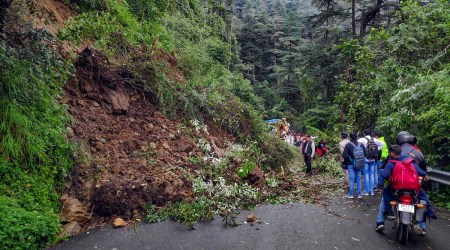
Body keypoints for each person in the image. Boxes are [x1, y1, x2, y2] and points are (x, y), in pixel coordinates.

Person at [375, 132, 436, 234]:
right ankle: (422, 225)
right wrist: (424, 175)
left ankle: (380, 221)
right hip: (413, 186)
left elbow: (384, 170)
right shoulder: (417, 152)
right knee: (422, 199)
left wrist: (383, 172)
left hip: (397, 186)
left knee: (385, 196)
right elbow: (423, 169)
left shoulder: (393, 153)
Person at [358, 129, 385, 196]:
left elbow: (356, 145)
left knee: (366, 174)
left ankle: (366, 191)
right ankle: (372, 191)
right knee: (372, 174)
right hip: (373, 159)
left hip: (366, 158)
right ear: (370, 133)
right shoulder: (374, 139)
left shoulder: (361, 139)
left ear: (364, 133)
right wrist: (376, 150)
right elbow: (382, 144)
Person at [343, 132, 366, 198]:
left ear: (350, 137)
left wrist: (350, 159)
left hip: (351, 164)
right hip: (359, 163)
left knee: (352, 179)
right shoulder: (361, 144)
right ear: (357, 137)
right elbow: (365, 153)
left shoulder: (348, 145)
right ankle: (359, 194)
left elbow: (345, 155)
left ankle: (351, 194)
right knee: (358, 178)